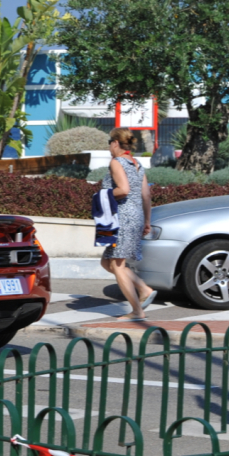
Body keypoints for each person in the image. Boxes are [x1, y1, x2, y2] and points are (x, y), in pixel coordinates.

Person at [99, 128, 156, 320]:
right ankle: (143, 289)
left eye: (109, 143)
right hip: (136, 216)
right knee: (107, 262)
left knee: (117, 264)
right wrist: (147, 220)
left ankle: (137, 311)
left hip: (121, 217)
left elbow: (123, 189)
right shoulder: (137, 164)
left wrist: (101, 195)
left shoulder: (117, 162)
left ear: (115, 143)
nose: (109, 148)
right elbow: (146, 195)